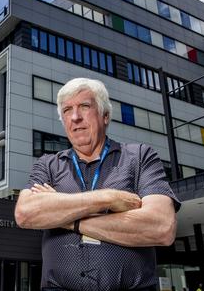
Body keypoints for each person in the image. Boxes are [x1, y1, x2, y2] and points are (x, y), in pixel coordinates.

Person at [15, 78, 181, 291]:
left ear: (105, 116)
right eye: (67, 110)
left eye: (84, 106)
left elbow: (161, 227)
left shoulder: (140, 157)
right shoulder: (48, 164)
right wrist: (109, 198)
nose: (75, 117)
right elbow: (25, 214)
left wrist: (65, 218)